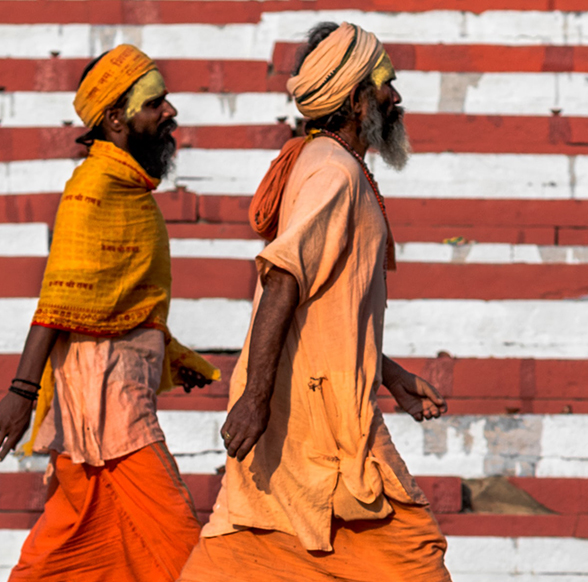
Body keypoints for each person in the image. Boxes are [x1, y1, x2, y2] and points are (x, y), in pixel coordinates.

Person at [176, 22, 453, 581]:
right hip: (322, 422)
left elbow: (329, 311)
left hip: (314, 407)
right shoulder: (333, 172)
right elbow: (283, 279)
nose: (395, 97)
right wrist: (255, 398)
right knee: (415, 563)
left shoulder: (329, 164)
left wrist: (389, 373)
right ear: (356, 100)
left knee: (254, 546)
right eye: (385, 85)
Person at [0, 44, 219, 582]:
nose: (170, 112)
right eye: (155, 103)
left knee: (69, 544)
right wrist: (21, 392)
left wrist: (173, 354)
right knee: (181, 544)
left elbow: (122, 299)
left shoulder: (130, 190)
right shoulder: (92, 188)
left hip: (110, 393)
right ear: (115, 119)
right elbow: (60, 298)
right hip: (104, 404)